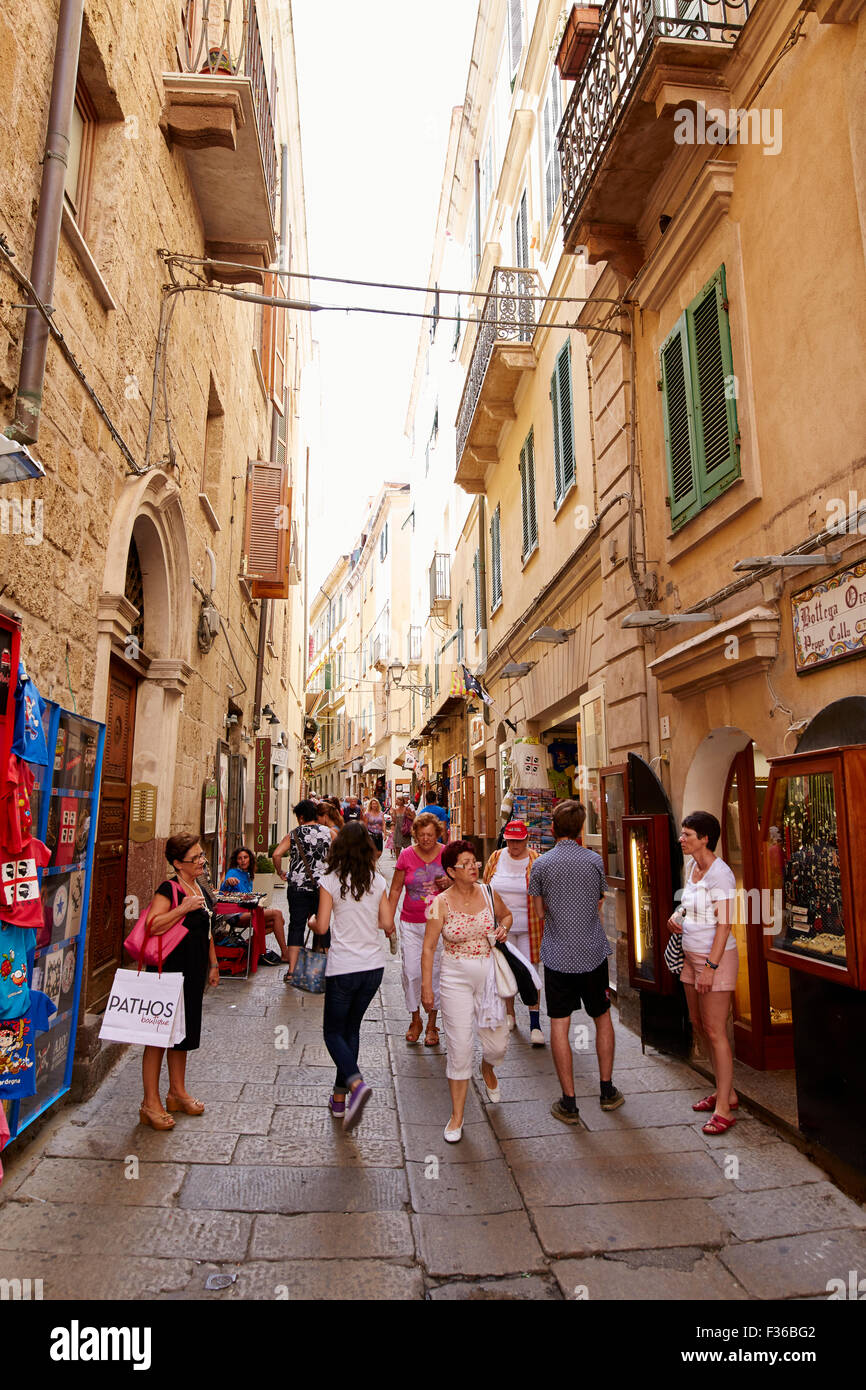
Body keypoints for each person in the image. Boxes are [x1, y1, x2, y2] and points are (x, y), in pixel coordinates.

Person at [529, 799, 624, 1124]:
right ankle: (607, 1090)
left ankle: (569, 1102)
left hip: (558, 954)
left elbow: (540, 912)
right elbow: (599, 901)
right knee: (602, 1017)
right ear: (581, 828)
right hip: (592, 952)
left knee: (559, 1024)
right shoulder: (594, 861)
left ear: (554, 828)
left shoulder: (541, 864)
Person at [421, 839, 512, 1141]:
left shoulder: (487, 893)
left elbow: (507, 915)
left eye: (475, 862)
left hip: (488, 974)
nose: (473, 867)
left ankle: (488, 1069)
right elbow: (429, 947)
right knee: (459, 1048)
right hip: (455, 976)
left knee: (497, 1044)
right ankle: (457, 1116)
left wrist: (504, 928)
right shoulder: (439, 903)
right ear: (451, 871)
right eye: (466, 864)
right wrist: (426, 988)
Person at [313, 822, 396, 1130]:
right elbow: (386, 922)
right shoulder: (377, 880)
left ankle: (356, 1085)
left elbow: (322, 927)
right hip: (372, 968)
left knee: (332, 1033)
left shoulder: (330, 880)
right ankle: (339, 1098)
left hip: (344, 967)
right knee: (351, 1031)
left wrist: (311, 921)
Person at [139, 833, 219, 1130]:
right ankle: (150, 1102)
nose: (201, 861)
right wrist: (182, 909)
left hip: (193, 970)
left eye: (201, 856)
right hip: (168, 971)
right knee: (158, 1037)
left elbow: (206, 928)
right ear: (177, 863)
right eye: (195, 858)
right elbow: (152, 925)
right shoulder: (168, 889)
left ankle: (177, 1091)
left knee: (182, 1034)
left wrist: (213, 963)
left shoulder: (197, 884)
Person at [668, 811, 739, 1135]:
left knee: (715, 1030)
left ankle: (724, 1107)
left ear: (705, 838)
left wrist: (710, 967)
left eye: (687, 835)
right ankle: (727, 1092)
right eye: (683, 834)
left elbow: (725, 924)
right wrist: (678, 913)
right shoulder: (692, 867)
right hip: (689, 954)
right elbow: (689, 902)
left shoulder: (720, 873)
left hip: (716, 959)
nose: (682, 840)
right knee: (699, 1025)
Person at [483, 821, 545, 1045]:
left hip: (530, 927)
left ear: (526, 839)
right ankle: (510, 1014)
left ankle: (535, 1022)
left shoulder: (536, 860)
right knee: (506, 971)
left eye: (518, 840)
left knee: (531, 973)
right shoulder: (497, 857)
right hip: (502, 928)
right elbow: (486, 886)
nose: (514, 845)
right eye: (510, 840)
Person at [389, 812, 447, 1046]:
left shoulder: (446, 853)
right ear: (414, 834)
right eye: (421, 835)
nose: (426, 839)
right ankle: (415, 1018)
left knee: (435, 973)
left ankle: (433, 1023)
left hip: (440, 924)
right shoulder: (406, 855)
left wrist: (449, 882)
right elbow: (395, 890)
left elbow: (462, 884)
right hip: (411, 923)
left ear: (437, 834)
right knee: (411, 971)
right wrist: (389, 920)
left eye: (430, 835)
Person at [272, 800, 333, 980]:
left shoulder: (294, 834)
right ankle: (326, 968)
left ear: (300, 817)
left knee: (296, 926)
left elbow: (276, 854)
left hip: (298, 886)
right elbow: (340, 854)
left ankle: (292, 971)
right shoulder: (329, 832)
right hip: (323, 887)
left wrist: (280, 871)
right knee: (323, 925)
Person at [219, 845, 291, 967]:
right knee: (277, 914)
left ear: (250, 859)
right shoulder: (233, 872)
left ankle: (248, 943)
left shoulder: (248, 875)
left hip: (246, 912)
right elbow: (225, 885)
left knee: (279, 922)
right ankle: (285, 953)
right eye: (240, 858)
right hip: (236, 915)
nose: (242, 860)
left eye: (245, 857)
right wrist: (228, 881)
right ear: (236, 861)